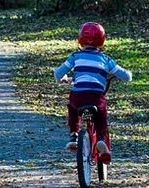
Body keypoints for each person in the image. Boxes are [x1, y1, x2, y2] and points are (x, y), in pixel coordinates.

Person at [53, 21, 132, 163]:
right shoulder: (106, 59)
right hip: (96, 97)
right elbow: (126, 77)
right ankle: (101, 139)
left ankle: (74, 136)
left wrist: (62, 78)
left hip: (78, 97)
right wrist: (127, 74)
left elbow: (58, 73)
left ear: (80, 39)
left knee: (72, 108)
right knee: (101, 117)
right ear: (102, 40)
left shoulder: (75, 57)